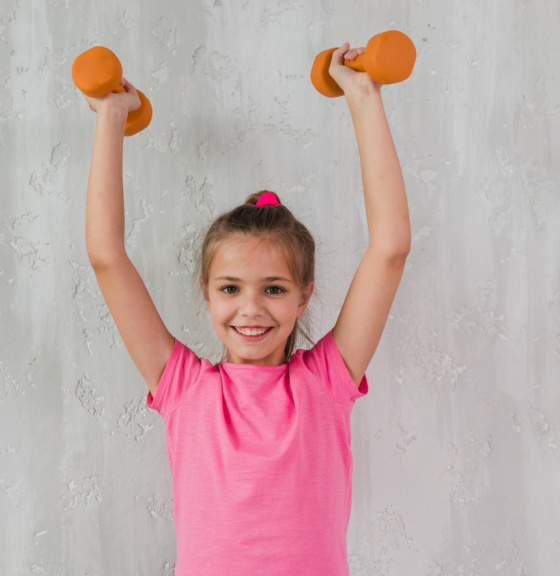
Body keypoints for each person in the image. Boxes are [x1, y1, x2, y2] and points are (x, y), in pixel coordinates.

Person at [81, 43, 410, 575]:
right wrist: (111, 117)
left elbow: (390, 248)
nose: (251, 309)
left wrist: (363, 94)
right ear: (206, 293)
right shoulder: (185, 388)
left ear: (304, 294)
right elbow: (106, 257)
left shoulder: (326, 381)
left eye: (274, 289)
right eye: (230, 289)